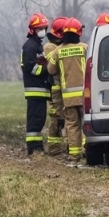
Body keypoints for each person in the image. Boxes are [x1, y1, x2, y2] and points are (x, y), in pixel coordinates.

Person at [47, 18, 88, 166]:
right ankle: (88, 151)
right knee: (88, 123)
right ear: (79, 32)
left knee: (72, 125)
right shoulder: (85, 48)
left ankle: (74, 157)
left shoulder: (58, 51)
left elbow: (50, 70)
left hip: (68, 98)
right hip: (86, 96)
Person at [21, 12, 52, 156]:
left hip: (40, 90)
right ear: (33, 29)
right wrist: (46, 69)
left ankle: (38, 146)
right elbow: (30, 67)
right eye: (40, 28)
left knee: (39, 120)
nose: (43, 31)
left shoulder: (37, 45)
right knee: (34, 121)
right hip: (35, 90)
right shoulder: (30, 46)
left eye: (44, 28)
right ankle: (33, 148)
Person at [43, 16, 67, 155]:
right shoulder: (49, 47)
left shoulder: (58, 46)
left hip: (65, 88)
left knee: (69, 118)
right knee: (56, 119)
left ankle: (69, 146)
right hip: (56, 90)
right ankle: (54, 148)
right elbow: (55, 66)